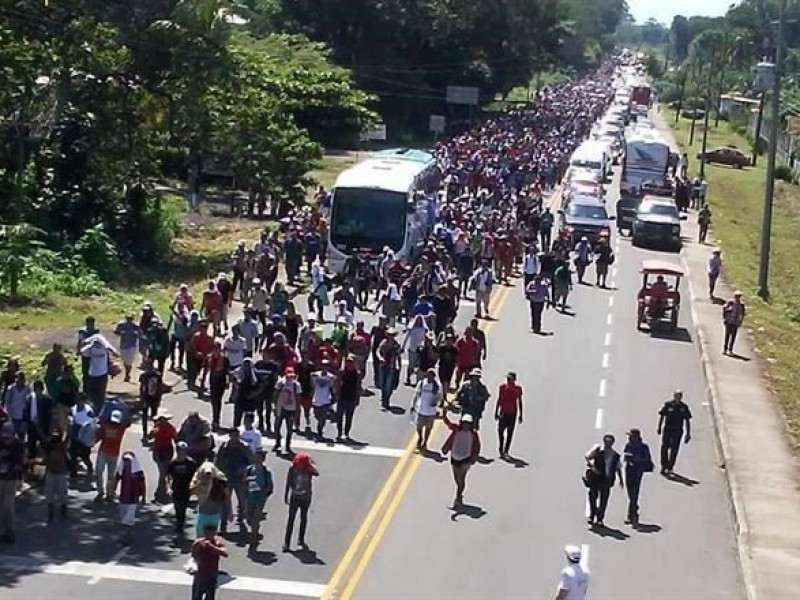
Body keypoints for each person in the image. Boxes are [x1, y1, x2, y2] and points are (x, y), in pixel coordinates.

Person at [441, 411, 480, 507]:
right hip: (455, 458)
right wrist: (444, 413)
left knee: (461, 479)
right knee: (457, 479)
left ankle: (458, 497)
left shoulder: (474, 434)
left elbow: (477, 446)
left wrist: (474, 457)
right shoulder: (456, 429)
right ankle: (459, 493)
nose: (465, 425)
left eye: (468, 424)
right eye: (464, 423)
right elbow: (447, 423)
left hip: (466, 459)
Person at [584, 434, 623, 528]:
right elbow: (587, 457)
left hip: (607, 480)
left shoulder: (615, 455)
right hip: (595, 477)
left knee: (604, 500)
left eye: (610, 442)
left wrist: (621, 480)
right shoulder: (598, 450)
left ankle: (600, 518)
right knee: (592, 496)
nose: (608, 444)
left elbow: (618, 468)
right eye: (606, 442)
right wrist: (592, 466)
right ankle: (592, 515)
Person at [283, 451, 318, 552]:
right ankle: (286, 543)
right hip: (295, 497)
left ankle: (301, 539)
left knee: (303, 518)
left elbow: (317, 473)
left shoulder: (308, 470)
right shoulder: (292, 469)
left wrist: (310, 466)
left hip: (305, 498)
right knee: (291, 519)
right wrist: (286, 495)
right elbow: (288, 482)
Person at [94, 409, 129, 502]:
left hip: (114, 454)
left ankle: (110, 493)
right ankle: (100, 491)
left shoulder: (121, 428)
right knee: (98, 471)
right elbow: (99, 436)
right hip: (103, 452)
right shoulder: (104, 426)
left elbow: (128, 419)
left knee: (111, 475)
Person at [243, 449, 273, 551]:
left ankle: (253, 538)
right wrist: (248, 481)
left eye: (259, 457)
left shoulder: (266, 472)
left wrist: (263, 490)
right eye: (255, 457)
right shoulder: (249, 469)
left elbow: (270, 486)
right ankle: (254, 529)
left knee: (255, 518)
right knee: (248, 517)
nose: (256, 459)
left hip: (260, 498)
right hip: (250, 497)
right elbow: (243, 481)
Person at [657, 390, 692, 475]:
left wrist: (688, 434)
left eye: (680, 396)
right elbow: (662, 416)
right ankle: (664, 466)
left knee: (674, 449)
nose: (678, 398)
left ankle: (670, 467)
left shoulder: (684, 407)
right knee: (664, 448)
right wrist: (659, 427)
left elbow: (687, 420)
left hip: (677, 430)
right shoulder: (668, 405)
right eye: (676, 396)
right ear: (674, 396)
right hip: (668, 429)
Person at [114, 451, 146, 546]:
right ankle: (125, 537)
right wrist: (113, 492)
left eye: (128, 460)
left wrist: (143, 497)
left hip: (133, 499)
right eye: (125, 460)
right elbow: (116, 480)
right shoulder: (122, 470)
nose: (127, 462)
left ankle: (128, 538)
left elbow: (142, 484)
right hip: (123, 498)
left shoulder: (138, 472)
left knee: (129, 520)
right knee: (123, 520)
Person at [622, 428, 653, 526]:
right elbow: (625, 455)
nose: (629, 438)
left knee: (634, 493)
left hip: (637, 471)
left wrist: (636, 459)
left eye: (631, 436)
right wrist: (627, 457)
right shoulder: (628, 445)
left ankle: (631, 514)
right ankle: (634, 508)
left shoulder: (644, 447)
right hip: (629, 471)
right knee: (630, 492)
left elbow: (647, 459)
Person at [0, 421, 25, 543]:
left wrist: (14, 471)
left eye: (8, 437)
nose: (6, 440)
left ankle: (10, 531)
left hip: (11, 479)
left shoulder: (18, 445)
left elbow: (21, 464)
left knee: (8, 506)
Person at [191, 523, 228, 600]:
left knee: (210, 596)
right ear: (204, 532)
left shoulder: (218, 543)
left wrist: (211, 547)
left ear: (214, 532)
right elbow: (193, 555)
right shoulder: (198, 542)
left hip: (212, 574)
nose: (209, 535)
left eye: (211, 533)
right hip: (200, 574)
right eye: (207, 533)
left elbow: (225, 553)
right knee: (196, 596)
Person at [167, 441, 197, 535]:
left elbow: (196, 475)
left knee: (183, 507)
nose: (182, 453)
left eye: (184, 451)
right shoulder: (172, 463)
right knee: (177, 508)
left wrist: (195, 487)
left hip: (186, 489)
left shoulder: (191, 463)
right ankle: (179, 523)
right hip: (176, 488)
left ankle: (180, 525)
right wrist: (168, 487)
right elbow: (168, 476)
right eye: (180, 450)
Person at [411, 368, 442, 452]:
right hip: (421, 409)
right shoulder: (421, 383)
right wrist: (413, 405)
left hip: (431, 411)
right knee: (419, 426)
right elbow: (416, 394)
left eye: (432, 375)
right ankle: (420, 438)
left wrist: (436, 402)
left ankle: (425, 441)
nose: (430, 377)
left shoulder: (437, 385)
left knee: (428, 428)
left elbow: (440, 396)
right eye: (429, 374)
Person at [42, 429, 70, 522]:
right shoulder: (49, 449)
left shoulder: (62, 448)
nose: (56, 444)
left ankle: (63, 506)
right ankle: (51, 511)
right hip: (51, 474)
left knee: (62, 494)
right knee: (50, 494)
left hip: (60, 474)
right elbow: (42, 437)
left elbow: (67, 438)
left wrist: (69, 428)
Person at [495, 372, 523, 459]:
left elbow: (520, 401)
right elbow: (499, 399)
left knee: (510, 432)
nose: (508, 381)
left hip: (512, 413)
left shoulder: (518, 389)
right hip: (503, 411)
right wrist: (496, 411)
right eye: (507, 379)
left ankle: (506, 450)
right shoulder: (502, 387)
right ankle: (501, 446)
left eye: (510, 379)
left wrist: (521, 414)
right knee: (500, 430)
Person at [149, 410, 176, 501]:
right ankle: (162, 490)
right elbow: (149, 437)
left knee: (163, 472)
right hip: (158, 451)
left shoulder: (170, 428)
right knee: (162, 471)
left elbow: (175, 438)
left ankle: (160, 491)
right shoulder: (156, 427)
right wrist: (152, 433)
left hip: (167, 451)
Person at [274, 368, 301, 454]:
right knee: (277, 426)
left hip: (291, 409)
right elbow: (276, 394)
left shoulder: (296, 385)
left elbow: (298, 398)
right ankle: (277, 442)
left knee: (289, 429)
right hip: (281, 408)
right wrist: (275, 406)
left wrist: (297, 410)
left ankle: (287, 446)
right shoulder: (281, 383)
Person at [336, 356, 361, 441]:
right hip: (342, 397)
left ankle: (346, 433)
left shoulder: (357, 374)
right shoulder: (342, 372)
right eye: (347, 361)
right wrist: (337, 395)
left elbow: (358, 387)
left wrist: (357, 399)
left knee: (349, 417)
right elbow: (338, 383)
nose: (349, 363)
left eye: (351, 362)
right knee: (339, 416)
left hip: (351, 398)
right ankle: (339, 432)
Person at [722, 291, 746, 355]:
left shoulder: (742, 305)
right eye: (736, 296)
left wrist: (740, 322)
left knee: (733, 337)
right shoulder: (730, 302)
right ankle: (725, 349)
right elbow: (724, 309)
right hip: (729, 321)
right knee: (727, 336)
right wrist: (725, 318)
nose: (737, 298)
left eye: (739, 297)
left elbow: (743, 314)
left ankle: (730, 349)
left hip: (735, 323)